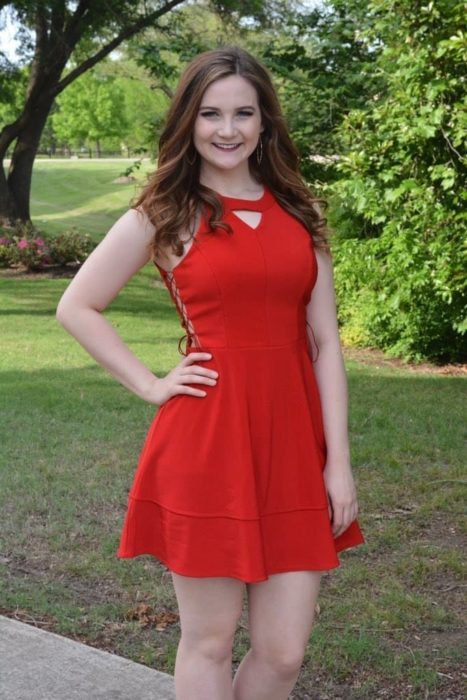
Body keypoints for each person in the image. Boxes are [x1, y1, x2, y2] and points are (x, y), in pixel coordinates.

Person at [56, 45, 365, 700]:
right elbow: (77, 306)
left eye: (243, 113)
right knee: (209, 641)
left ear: (264, 123)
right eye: (211, 113)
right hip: (207, 444)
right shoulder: (164, 214)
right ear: (188, 122)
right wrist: (150, 383)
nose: (227, 129)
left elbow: (324, 346)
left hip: (290, 447)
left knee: (282, 654)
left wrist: (337, 462)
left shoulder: (300, 213)